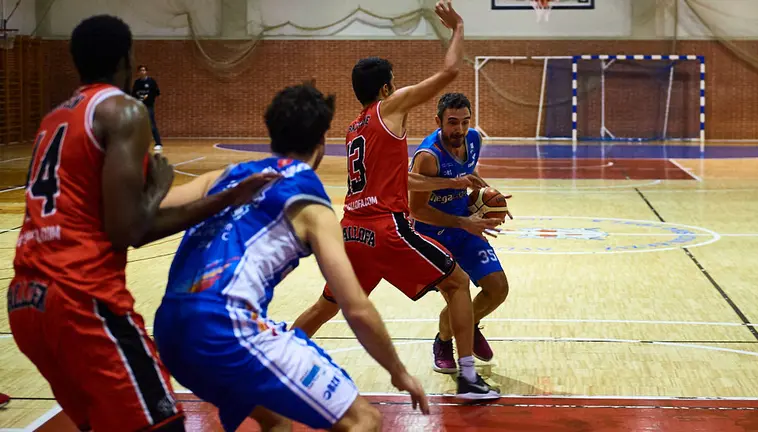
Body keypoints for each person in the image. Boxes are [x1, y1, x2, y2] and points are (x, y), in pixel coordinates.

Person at [7, 15, 276, 432]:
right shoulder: (123, 110)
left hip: (27, 300)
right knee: (161, 424)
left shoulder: (53, 119)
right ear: (126, 59)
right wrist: (223, 197)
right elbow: (129, 229)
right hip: (81, 298)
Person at [151, 83, 429, 432]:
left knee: (276, 419)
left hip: (168, 331)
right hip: (225, 329)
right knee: (364, 420)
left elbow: (146, 216)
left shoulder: (223, 177)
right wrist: (398, 372)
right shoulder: (311, 203)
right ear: (321, 144)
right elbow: (355, 306)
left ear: (271, 135)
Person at [290, 0, 502, 399]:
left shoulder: (354, 129)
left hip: (351, 231)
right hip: (387, 229)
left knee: (325, 305)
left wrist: (455, 184)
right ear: (387, 87)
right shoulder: (389, 109)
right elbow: (450, 71)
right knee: (456, 284)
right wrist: (458, 27)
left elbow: (401, 181)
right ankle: (469, 378)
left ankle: (274, 362)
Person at [409, 92, 511, 373]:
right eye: (453, 123)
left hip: (462, 222)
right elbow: (416, 210)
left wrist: (490, 199)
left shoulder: (474, 139)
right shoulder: (429, 158)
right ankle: (444, 341)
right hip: (431, 234)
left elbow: (470, 172)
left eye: (465, 122)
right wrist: (465, 223)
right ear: (438, 122)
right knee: (459, 293)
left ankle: (469, 325)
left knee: (498, 288)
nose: (460, 129)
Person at [132, 65, 163, 152]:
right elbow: (133, 94)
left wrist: (148, 97)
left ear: (146, 72)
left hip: (148, 106)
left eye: (144, 70)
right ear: (138, 72)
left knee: (151, 124)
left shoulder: (151, 81)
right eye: (140, 70)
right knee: (138, 124)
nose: (142, 72)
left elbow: (157, 93)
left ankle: (158, 143)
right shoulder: (137, 82)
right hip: (139, 106)